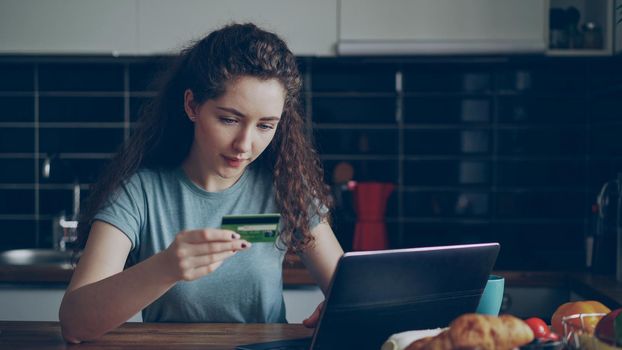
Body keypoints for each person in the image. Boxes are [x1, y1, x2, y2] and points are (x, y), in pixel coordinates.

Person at [59, 22, 344, 343]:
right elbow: (74, 323)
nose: (245, 144)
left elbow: (347, 289)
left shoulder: (287, 188)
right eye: (229, 119)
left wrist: (343, 307)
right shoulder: (138, 193)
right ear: (192, 105)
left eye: (265, 125)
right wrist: (166, 267)